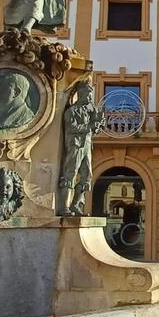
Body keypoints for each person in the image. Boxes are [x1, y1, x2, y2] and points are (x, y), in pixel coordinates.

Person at [58, 80, 104, 216]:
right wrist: (90, 126)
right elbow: (73, 127)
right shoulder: (71, 111)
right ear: (81, 95)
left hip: (87, 145)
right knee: (70, 174)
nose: (90, 98)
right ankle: (64, 207)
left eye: (91, 95)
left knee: (87, 176)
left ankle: (76, 205)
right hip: (75, 145)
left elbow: (93, 131)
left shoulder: (88, 112)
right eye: (88, 95)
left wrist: (97, 124)